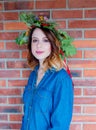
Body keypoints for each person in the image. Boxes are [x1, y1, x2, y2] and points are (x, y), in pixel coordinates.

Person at [16, 13, 76, 130]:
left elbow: (60, 126)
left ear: (53, 45)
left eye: (45, 40)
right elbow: (27, 115)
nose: (39, 45)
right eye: (35, 40)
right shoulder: (33, 74)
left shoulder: (61, 79)